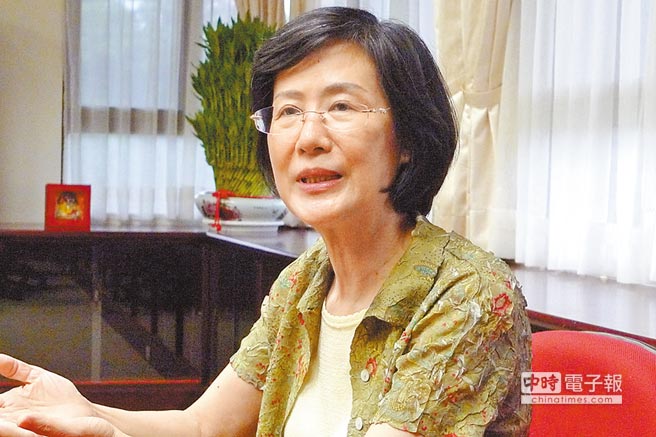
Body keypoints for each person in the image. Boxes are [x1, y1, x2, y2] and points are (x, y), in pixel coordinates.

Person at [0, 6, 531, 437]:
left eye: (341, 107)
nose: (309, 138)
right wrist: (85, 408)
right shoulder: (302, 284)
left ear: (410, 138)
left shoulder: (468, 294)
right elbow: (204, 426)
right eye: (288, 111)